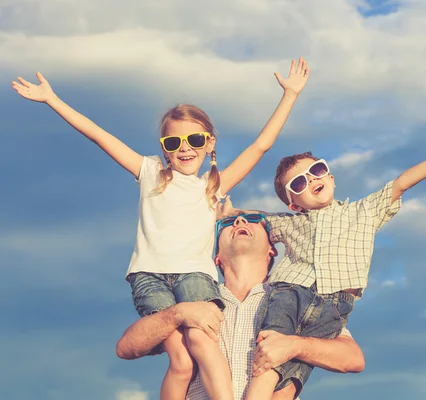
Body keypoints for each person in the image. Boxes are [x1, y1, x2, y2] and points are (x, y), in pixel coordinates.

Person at [12, 58, 310, 400]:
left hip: (195, 276)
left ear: (210, 143)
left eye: (195, 139)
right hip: (149, 276)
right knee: (181, 361)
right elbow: (98, 135)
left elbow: (260, 146)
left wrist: (290, 96)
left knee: (200, 340)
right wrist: (53, 99)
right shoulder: (150, 173)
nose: (185, 148)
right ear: (164, 149)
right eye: (174, 143)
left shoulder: (212, 187)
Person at [245, 121, 426, 399]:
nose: (313, 179)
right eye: (299, 182)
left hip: (335, 307)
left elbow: (401, 183)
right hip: (290, 295)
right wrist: (228, 211)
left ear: (331, 177)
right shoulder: (290, 222)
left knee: (290, 382)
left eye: (317, 171)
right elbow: (257, 218)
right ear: (294, 203)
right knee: (267, 358)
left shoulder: (362, 211)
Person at [116, 203, 365, 400]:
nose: (240, 221)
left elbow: (353, 358)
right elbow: (126, 348)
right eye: (226, 223)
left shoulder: (294, 298)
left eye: (254, 220)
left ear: (272, 249)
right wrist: (177, 313)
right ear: (216, 257)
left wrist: (295, 346)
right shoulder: (195, 299)